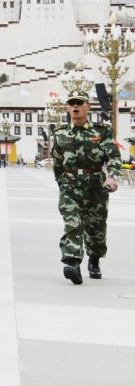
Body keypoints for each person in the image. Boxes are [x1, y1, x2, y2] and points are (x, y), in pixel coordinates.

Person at [51, 89, 121, 285]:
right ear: (68, 108)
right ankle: (72, 263)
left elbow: (114, 157)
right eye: (71, 103)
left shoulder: (101, 132)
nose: (75, 106)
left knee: (96, 227)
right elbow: (57, 163)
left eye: (79, 103)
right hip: (70, 187)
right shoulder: (60, 133)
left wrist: (112, 178)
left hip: (96, 187)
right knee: (72, 223)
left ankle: (94, 260)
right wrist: (61, 183)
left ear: (87, 107)